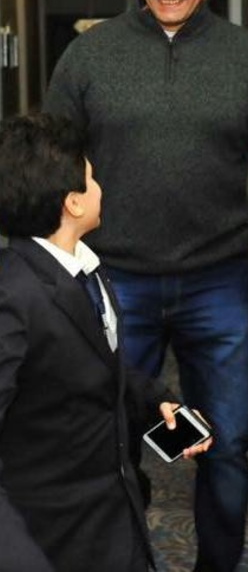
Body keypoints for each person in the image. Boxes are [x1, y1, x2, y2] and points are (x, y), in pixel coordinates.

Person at [44, 0, 248, 572]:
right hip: (116, 280)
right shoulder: (89, 56)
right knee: (111, 439)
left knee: (227, 442)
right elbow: (55, 166)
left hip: (219, 282)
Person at [0, 113, 210, 572]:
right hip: (52, 538)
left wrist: (152, 399)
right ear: (73, 203)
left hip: (114, 514)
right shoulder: (12, 297)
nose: (101, 187)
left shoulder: (85, 267)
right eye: (93, 178)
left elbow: (83, 368)